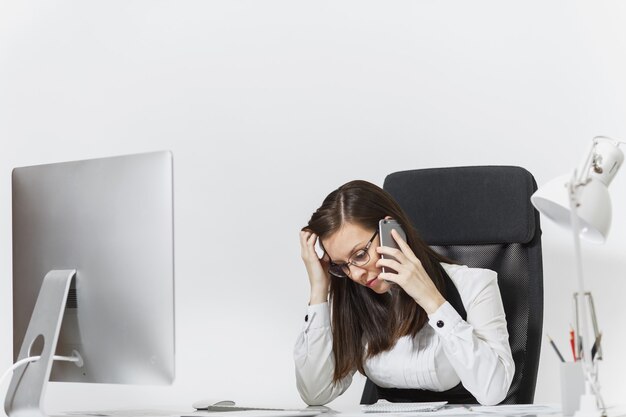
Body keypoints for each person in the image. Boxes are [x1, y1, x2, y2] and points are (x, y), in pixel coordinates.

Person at [294, 180, 514, 406]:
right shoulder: (356, 298)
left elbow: (493, 392)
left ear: (391, 230)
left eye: (360, 254)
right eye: (341, 265)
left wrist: (432, 301)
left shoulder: (474, 285)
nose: (355, 274)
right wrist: (319, 290)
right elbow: (315, 394)